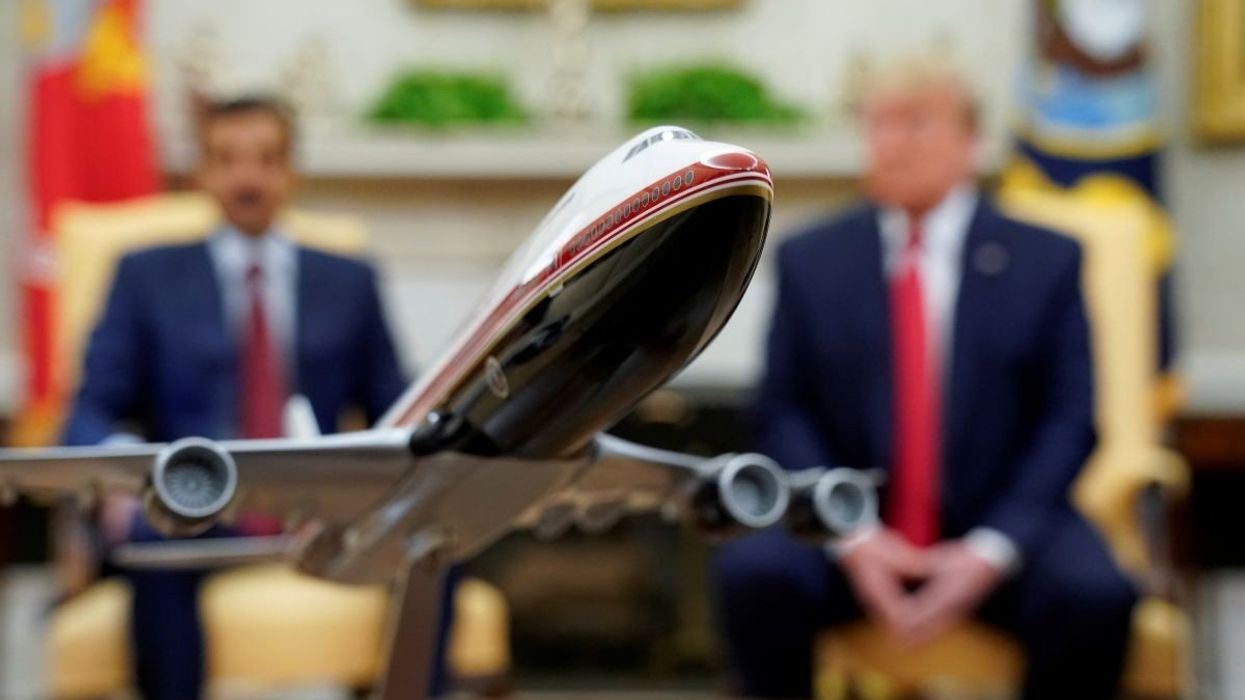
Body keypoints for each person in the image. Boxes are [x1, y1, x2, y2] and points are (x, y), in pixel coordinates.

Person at [713, 58, 1137, 699]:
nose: (891, 143)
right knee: (752, 575)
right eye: (877, 125)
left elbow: (1069, 419)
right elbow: (782, 410)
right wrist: (854, 538)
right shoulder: (812, 258)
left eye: (915, 123)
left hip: (1000, 524)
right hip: (852, 523)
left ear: (971, 141)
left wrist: (989, 551)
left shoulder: (1044, 260)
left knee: (1095, 595)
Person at [63, 97, 414, 700]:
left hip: (320, 508)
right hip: (197, 506)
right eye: (227, 160)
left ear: (291, 171)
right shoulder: (145, 276)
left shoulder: (349, 279)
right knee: (153, 532)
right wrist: (125, 478)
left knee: (438, 540)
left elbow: (395, 405)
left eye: (266, 159)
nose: (247, 178)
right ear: (201, 172)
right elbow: (91, 408)